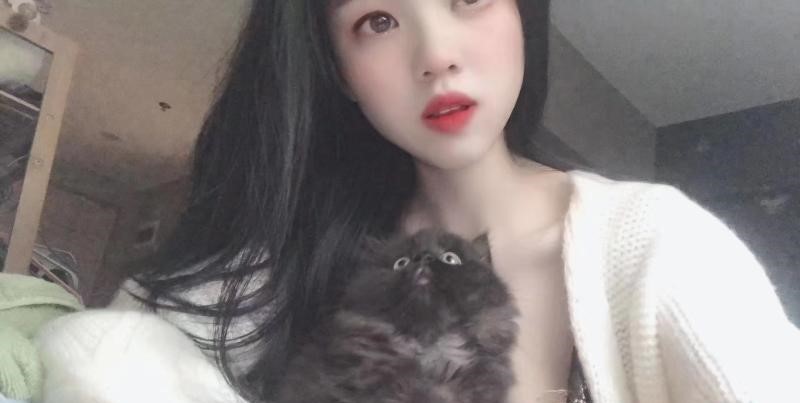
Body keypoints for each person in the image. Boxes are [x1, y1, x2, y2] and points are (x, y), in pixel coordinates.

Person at [36, 0, 800, 402]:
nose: (436, 55)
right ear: (337, 69)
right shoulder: (292, 259)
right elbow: (103, 355)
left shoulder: (654, 248)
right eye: (377, 21)